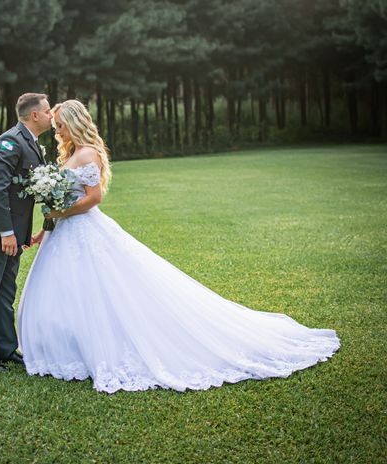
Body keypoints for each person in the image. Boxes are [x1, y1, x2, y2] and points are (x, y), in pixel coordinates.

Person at [17, 99, 340, 393]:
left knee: (104, 289)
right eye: (55, 125)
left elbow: (93, 197)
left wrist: (61, 211)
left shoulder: (88, 153)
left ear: (74, 122)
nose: (56, 131)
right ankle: (68, 347)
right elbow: (60, 199)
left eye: (60, 125)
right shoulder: (70, 154)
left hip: (86, 229)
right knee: (69, 291)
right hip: (63, 232)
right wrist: (47, 227)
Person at [0, 93, 52, 372]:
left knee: (5, 292)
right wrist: (6, 231)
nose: (52, 115)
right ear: (34, 115)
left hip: (14, 233)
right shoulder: (10, 141)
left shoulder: (32, 143)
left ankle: (5, 349)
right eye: (48, 111)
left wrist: (26, 232)